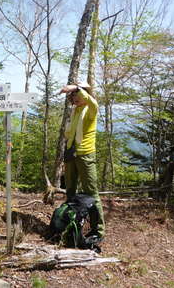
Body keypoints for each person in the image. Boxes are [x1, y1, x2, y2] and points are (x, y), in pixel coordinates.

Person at [59, 81, 105, 240]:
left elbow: (91, 100)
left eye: (77, 94)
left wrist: (77, 88)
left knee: (91, 193)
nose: (75, 98)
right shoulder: (75, 111)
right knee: (70, 191)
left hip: (86, 156)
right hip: (71, 154)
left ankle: (97, 231)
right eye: (73, 95)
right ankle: (70, 223)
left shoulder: (91, 109)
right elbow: (69, 134)